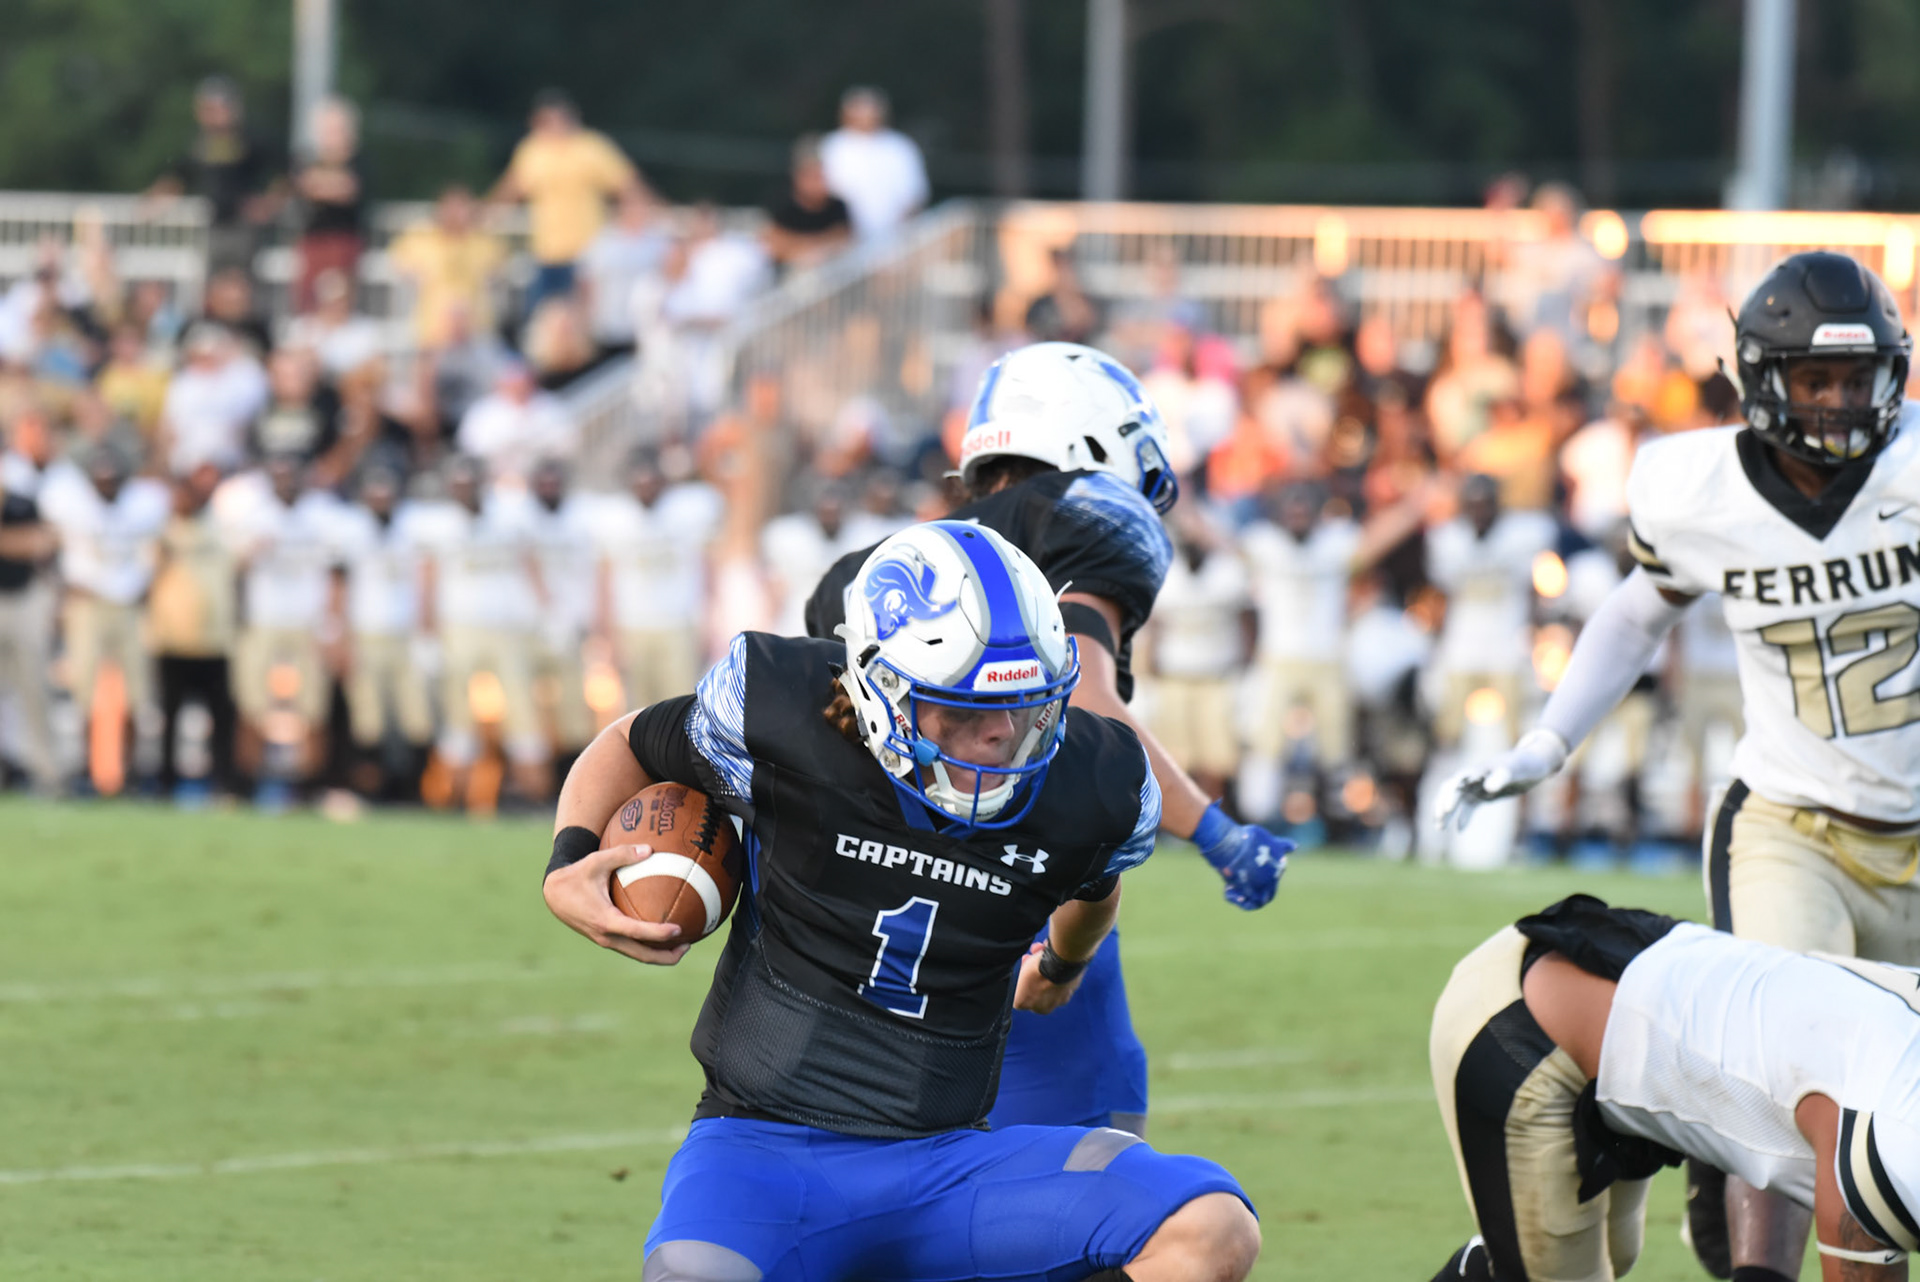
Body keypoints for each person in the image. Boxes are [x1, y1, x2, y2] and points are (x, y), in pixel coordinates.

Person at [542, 521, 1261, 1281]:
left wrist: (1061, 963)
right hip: (763, 1152)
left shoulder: (1094, 782)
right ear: (880, 690)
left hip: (950, 1164)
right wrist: (567, 864)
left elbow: (1095, 884)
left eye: (1024, 706)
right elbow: (633, 742)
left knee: (1210, 1229)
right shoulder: (781, 715)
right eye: (966, 711)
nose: (1002, 737)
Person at [1438, 251, 1920, 1282]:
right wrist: (1549, 741)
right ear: (1762, 379)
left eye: (1857, 377)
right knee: (1789, 1053)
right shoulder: (1695, 488)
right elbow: (1632, 615)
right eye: (1816, 378)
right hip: (1793, 823)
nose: (1840, 402)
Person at [806, 341, 1291, 1136]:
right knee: (1089, 1184)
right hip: (1025, 914)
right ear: (1093, 436)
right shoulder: (1089, 516)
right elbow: (1091, 708)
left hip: (875, 952)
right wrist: (1217, 833)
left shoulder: (871, 574)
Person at [1428, 893, 1920, 1282]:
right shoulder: (1892, 1143)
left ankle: (1505, 1255)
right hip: (1523, 1030)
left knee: (1606, 1253)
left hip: (1642, 973)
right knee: (1561, 1268)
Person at [489, 90, 644, 321]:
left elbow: (628, 185)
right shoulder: (533, 150)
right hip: (546, 252)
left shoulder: (591, 147)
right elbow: (511, 190)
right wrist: (482, 217)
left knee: (581, 320)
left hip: (587, 253)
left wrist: (646, 218)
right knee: (540, 320)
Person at [594, 450, 721, 713]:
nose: (646, 489)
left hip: (677, 622)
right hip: (632, 624)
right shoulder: (616, 518)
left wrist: (709, 618)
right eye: (639, 484)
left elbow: (706, 566)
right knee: (638, 709)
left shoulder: (686, 511)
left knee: (680, 705)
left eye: (651, 482)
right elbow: (605, 578)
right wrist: (607, 634)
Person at [819, 86, 928, 243]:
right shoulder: (831, 146)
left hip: (894, 239)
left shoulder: (900, 146)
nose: (865, 117)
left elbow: (914, 195)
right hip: (840, 239)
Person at [291, 96, 367, 314]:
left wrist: (320, 185)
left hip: (344, 241)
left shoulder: (361, 161)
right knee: (309, 301)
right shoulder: (306, 159)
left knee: (339, 298)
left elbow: (348, 191)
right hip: (313, 240)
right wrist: (332, 185)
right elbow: (304, 186)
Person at [765, 135, 853, 271]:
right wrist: (810, 248)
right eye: (812, 176)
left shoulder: (837, 206)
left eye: (820, 176)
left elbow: (842, 240)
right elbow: (773, 243)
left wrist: (802, 246)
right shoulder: (781, 202)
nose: (818, 183)